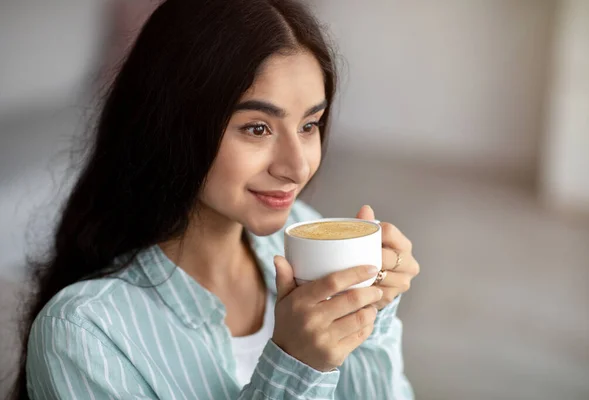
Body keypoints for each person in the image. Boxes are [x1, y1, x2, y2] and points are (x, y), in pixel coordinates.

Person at [11, 0, 420, 398]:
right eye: (258, 128)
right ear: (172, 124)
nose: (296, 167)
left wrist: (371, 314)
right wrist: (296, 366)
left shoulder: (302, 236)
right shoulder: (84, 333)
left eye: (309, 124)